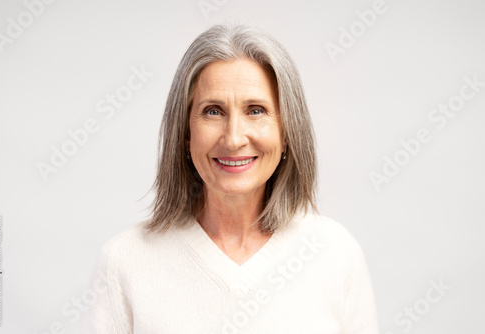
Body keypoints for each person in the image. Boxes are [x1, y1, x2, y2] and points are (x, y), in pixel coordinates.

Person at [82, 24, 379, 333]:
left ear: (287, 132)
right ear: (185, 134)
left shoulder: (335, 252)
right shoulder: (126, 259)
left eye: (255, 111)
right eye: (213, 111)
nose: (234, 138)